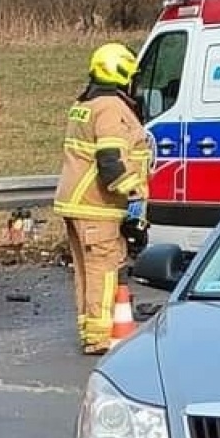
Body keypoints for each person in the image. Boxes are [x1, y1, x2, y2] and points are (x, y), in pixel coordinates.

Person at [53, 42, 153, 354]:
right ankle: (98, 335)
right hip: (97, 205)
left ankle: (89, 328)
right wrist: (134, 196)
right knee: (104, 268)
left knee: (85, 270)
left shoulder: (85, 103)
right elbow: (111, 161)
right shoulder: (110, 107)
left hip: (76, 201)